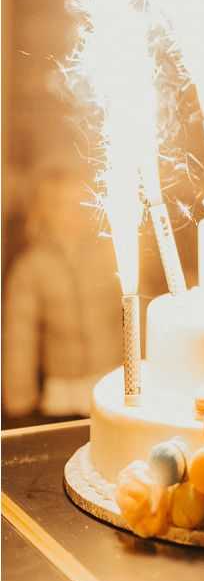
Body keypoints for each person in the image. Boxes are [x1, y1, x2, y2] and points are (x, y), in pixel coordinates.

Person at [2, 163, 123, 423]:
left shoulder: (110, 255)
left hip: (112, 383)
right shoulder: (32, 267)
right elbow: (19, 337)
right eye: (60, 204)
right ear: (43, 210)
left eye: (78, 204)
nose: (71, 214)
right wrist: (19, 397)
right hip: (62, 393)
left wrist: (147, 370)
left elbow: (136, 315)